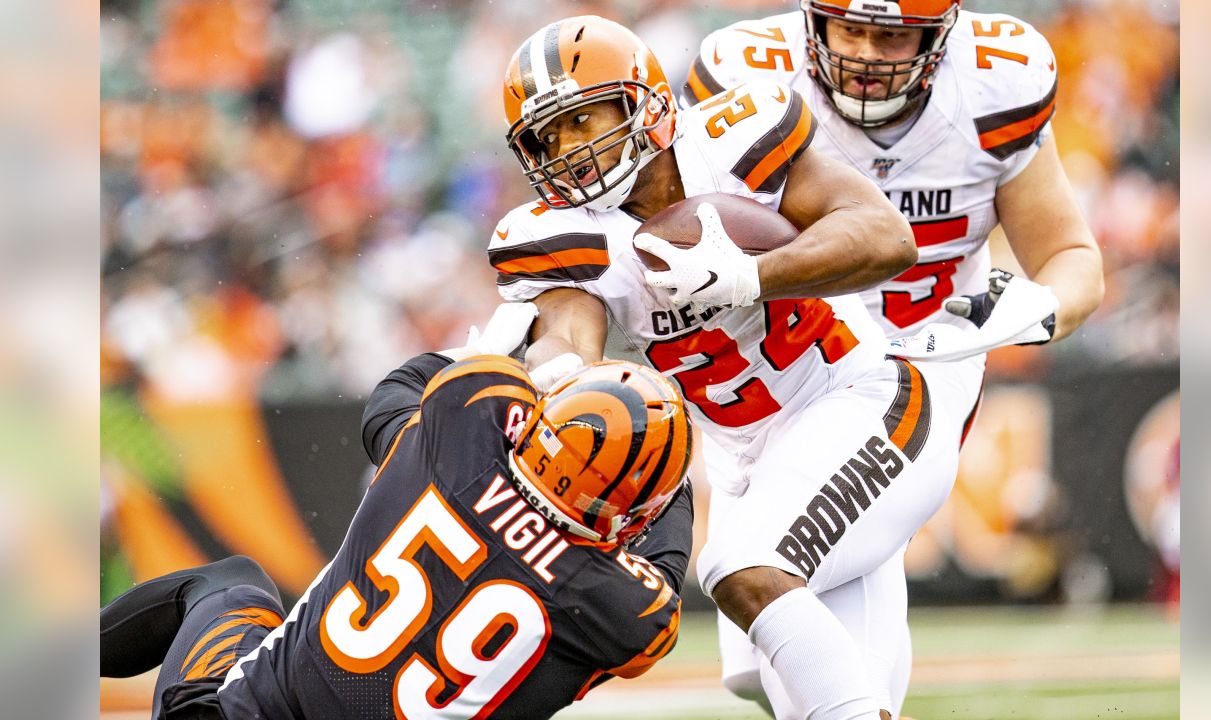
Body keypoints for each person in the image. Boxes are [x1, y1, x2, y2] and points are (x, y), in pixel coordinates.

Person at [486, 14, 1011, 720]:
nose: (569, 151)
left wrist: (749, 275)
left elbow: (887, 237)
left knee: (740, 565)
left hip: (866, 401)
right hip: (754, 461)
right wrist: (546, 372)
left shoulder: (735, 140)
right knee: (809, 698)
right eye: (546, 138)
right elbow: (567, 336)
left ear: (645, 102)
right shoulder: (559, 235)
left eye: (582, 120)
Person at [681, 0, 1105, 712]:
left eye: (892, 34)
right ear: (813, 23)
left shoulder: (994, 84)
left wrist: (1038, 308)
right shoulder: (744, 72)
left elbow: (1070, 257)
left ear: (942, 37)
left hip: (917, 367)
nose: (869, 54)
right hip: (785, 378)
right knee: (769, 672)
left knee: (755, 572)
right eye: (850, 29)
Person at [99, 303, 697, 719]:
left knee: (232, 583)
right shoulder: (623, 610)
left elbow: (396, 396)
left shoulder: (461, 443)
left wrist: (501, 361)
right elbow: (664, 567)